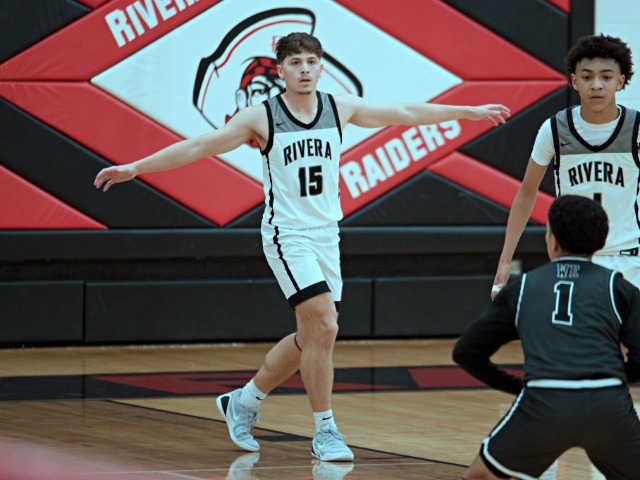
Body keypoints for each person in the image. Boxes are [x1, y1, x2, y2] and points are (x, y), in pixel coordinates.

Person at [94, 32, 510, 462]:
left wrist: (468, 112)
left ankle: (244, 401)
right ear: (281, 71)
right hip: (287, 235)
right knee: (325, 326)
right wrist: (136, 167)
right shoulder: (261, 117)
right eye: (295, 63)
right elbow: (201, 146)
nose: (305, 69)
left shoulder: (338, 107)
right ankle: (325, 431)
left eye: (311, 61)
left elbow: (404, 113)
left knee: (312, 337)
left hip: (327, 234)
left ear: (321, 67)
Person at [453, 194, 640, 480]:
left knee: (480, 476)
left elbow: (466, 352)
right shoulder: (620, 288)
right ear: (601, 241)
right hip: (608, 405)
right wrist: (612, 379)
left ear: (552, 240)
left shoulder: (523, 288)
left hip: (545, 402)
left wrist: (517, 386)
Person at [491, 34, 639, 299]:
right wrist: (505, 260)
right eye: (587, 76)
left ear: (620, 81)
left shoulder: (636, 129)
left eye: (606, 77)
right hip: (573, 261)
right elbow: (527, 192)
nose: (596, 85)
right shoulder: (554, 129)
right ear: (574, 81)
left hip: (629, 260)